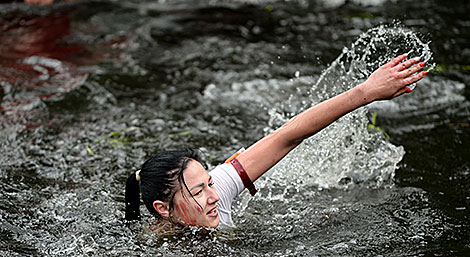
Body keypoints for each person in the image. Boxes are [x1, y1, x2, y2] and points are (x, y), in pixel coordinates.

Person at [125, 54, 428, 229]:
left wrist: (367, 92)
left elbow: (288, 135)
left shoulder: (221, 189)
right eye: (199, 191)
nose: (214, 195)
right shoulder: (149, 256)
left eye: (210, 183)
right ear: (162, 209)